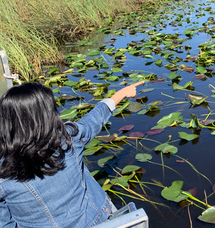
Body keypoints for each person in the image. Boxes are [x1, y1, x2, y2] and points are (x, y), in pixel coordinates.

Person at [0, 81, 144, 228]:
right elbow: (93, 119)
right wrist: (121, 94)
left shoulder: (2, 172)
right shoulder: (67, 139)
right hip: (98, 220)